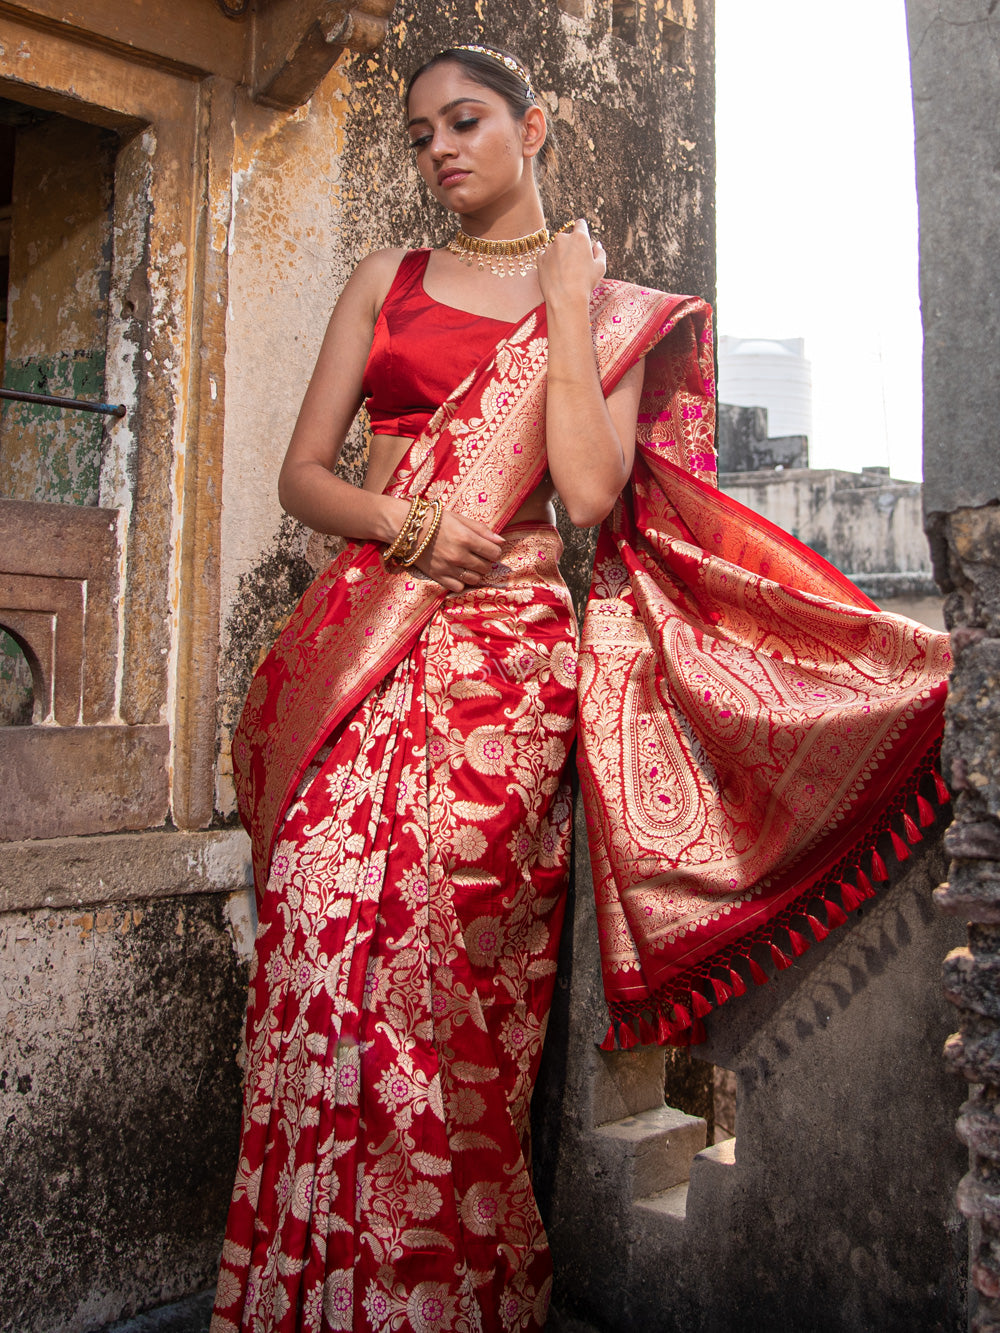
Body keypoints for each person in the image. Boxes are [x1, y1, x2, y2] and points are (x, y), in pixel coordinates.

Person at [212, 43, 950, 1333]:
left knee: (446, 982)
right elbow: (302, 476)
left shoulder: (605, 307)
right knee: (319, 927)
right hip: (371, 637)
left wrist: (561, 303)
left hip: (506, 673)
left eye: (468, 121)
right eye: (423, 132)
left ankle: (437, 1296)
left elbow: (593, 490)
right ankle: (304, 1290)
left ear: (531, 126)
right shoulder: (383, 279)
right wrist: (405, 528)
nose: (442, 149)